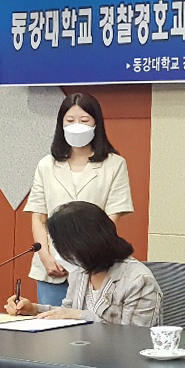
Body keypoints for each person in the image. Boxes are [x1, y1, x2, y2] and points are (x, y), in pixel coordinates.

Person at [25, 93, 133, 306]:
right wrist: (45, 256)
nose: (77, 126)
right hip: (52, 267)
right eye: (70, 120)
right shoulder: (46, 165)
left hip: (94, 265)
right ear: (61, 124)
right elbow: (38, 216)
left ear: (96, 124)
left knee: (90, 323)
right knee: (51, 323)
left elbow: (112, 216)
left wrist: (85, 254)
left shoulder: (114, 164)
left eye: (84, 120)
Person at [6, 201, 161, 326]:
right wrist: (33, 310)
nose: (60, 254)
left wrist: (80, 316)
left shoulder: (139, 281)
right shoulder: (80, 270)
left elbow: (135, 336)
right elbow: (66, 312)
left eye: (63, 247)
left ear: (83, 244)